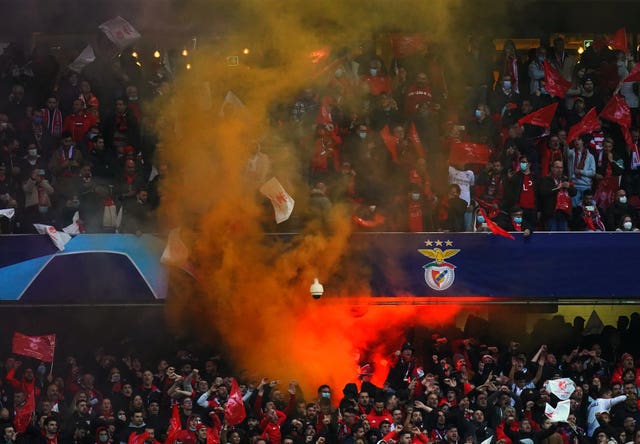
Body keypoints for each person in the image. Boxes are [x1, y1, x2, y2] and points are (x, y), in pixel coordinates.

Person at [538, 160, 576, 231]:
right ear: (552, 168)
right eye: (557, 167)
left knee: (562, 238)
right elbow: (543, 192)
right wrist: (557, 188)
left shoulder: (565, 179)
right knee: (552, 238)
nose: (559, 170)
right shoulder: (546, 179)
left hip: (564, 214)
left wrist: (569, 187)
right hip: (551, 214)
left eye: (561, 168)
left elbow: (574, 193)